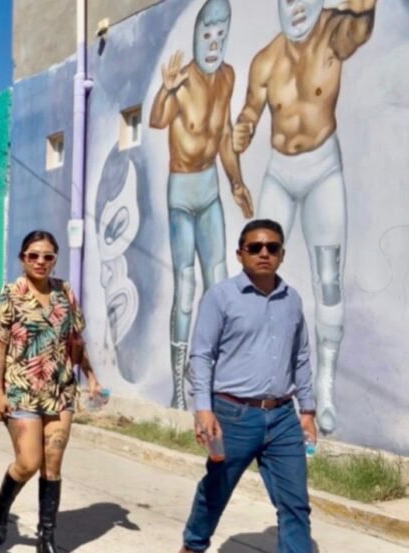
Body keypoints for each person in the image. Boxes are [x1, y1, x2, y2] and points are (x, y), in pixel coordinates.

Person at [233, 0, 376, 433]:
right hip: (280, 172)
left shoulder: (332, 31)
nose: (297, 8)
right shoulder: (265, 60)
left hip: (323, 168)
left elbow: (357, 33)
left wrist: (365, 12)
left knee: (327, 278)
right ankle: (256, 373)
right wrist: (244, 127)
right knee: (256, 274)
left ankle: (325, 385)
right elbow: (251, 109)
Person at [180, 219, 317, 553]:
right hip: (233, 415)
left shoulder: (292, 300)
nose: (264, 253)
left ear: (282, 254)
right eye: (255, 247)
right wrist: (203, 410)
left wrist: (308, 410)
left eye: (272, 247)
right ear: (240, 254)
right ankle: (193, 546)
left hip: (283, 417)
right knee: (217, 490)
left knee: (295, 503)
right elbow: (201, 355)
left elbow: (300, 356)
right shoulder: (221, 297)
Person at [149, 0, 254, 409]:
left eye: (220, 35)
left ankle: (207, 371)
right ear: (195, 37)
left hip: (210, 187)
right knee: (186, 284)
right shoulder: (183, 80)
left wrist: (237, 182)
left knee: (219, 282)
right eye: (207, 35)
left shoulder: (227, 77)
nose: (213, 43)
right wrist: (166, 88)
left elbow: (224, 134)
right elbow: (157, 120)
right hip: (181, 190)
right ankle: (178, 386)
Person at [0, 230, 101, 553]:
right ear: (22, 258)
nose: (40, 261)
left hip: (60, 390)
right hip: (20, 390)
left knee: (53, 463)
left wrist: (91, 376)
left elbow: (75, 340)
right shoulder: (10, 294)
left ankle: (46, 536)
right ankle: (1, 505)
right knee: (28, 462)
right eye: (33, 255)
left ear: (55, 259)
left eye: (48, 256)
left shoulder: (65, 292)